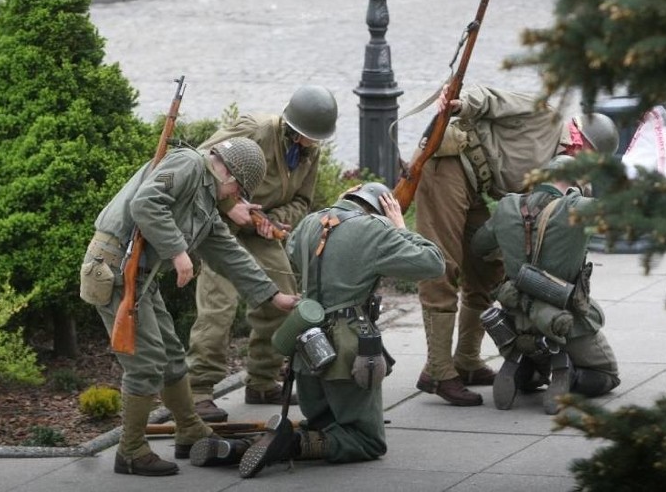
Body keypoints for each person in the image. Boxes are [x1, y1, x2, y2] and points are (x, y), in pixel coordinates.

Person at [187, 182, 445, 476]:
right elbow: (433, 264)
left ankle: (239, 448)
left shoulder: (311, 222)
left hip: (307, 343)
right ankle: (292, 445)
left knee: (322, 426)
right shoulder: (375, 229)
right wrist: (399, 227)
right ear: (380, 208)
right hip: (350, 349)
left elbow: (295, 253)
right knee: (366, 440)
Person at [81, 137, 299, 476]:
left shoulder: (207, 200)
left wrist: (274, 296)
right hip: (115, 269)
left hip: (141, 277)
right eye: (238, 191)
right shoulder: (189, 164)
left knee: (169, 352)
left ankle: (189, 429)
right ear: (228, 174)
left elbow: (230, 254)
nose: (234, 198)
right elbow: (146, 203)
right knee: (146, 359)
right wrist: (178, 252)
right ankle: (131, 451)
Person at [413, 84, 619, 407]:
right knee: (442, 267)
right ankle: (438, 370)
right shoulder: (542, 116)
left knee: (487, 270)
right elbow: (490, 99)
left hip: (474, 185)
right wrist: (460, 103)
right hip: (449, 168)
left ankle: (466, 360)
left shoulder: (562, 167)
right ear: (580, 143)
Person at [186, 84, 337, 422]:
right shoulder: (253, 130)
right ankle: (199, 392)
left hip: (258, 227)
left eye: (316, 138)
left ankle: (263, 381)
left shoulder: (310, 151)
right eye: (309, 136)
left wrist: (273, 221)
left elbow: (303, 201)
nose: (313, 144)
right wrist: (230, 204)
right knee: (218, 307)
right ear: (293, 126)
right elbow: (198, 162)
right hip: (219, 225)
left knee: (283, 297)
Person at [471, 155, 621, 414]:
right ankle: (567, 373)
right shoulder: (576, 207)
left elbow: (479, 246)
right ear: (573, 184)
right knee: (607, 375)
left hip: (514, 321)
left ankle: (525, 370)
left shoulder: (507, 207)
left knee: (527, 352)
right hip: (564, 321)